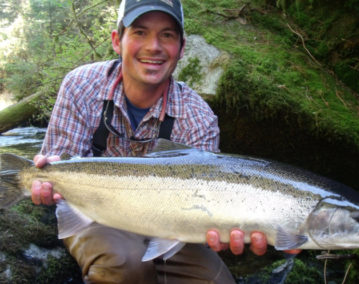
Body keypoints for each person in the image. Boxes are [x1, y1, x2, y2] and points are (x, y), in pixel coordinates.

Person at [30, 0, 296, 283]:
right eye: (140, 32)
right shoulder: (81, 85)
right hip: (95, 212)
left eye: (167, 35)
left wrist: (229, 225)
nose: (153, 46)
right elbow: (58, 166)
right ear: (117, 41)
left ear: (181, 48)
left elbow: (207, 202)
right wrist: (44, 177)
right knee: (127, 265)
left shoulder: (198, 118)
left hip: (173, 226)